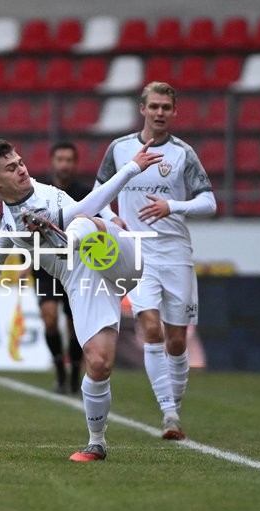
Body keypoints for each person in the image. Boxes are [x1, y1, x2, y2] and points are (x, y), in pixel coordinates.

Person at [0, 138, 163, 461]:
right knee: (98, 363)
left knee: (83, 221)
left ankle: (64, 239)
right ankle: (96, 442)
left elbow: (88, 204)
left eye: (20, 162)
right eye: (11, 168)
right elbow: (5, 232)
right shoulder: (15, 218)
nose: (21, 169)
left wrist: (130, 169)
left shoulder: (37, 200)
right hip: (82, 280)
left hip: (118, 256)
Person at [94, 81, 217, 440]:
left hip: (176, 254)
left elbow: (209, 202)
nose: (160, 112)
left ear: (174, 112)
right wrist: (110, 215)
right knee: (150, 329)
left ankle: (173, 407)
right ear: (142, 109)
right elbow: (100, 192)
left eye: (166, 107)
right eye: (154, 106)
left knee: (177, 342)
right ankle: (168, 413)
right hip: (138, 252)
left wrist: (172, 206)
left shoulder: (183, 154)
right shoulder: (120, 149)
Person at [33, 141, 87, 395]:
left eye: (69, 160)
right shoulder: (41, 193)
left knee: (74, 324)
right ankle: (60, 371)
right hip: (45, 264)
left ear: (75, 164)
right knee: (50, 319)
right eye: (60, 159)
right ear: (52, 162)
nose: (64, 164)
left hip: (76, 265)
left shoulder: (85, 194)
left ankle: (76, 371)